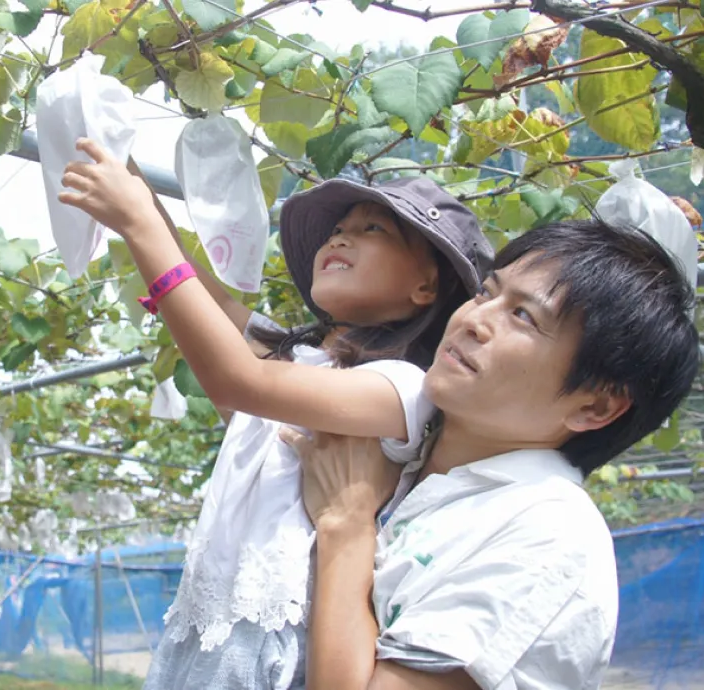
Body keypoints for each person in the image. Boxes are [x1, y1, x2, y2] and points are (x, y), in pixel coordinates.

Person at [59, 140, 492, 689]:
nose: (341, 235)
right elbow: (208, 296)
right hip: (207, 629)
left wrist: (139, 221)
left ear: (426, 286)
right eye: (341, 227)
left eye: (373, 229)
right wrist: (124, 167)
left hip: (278, 644)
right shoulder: (300, 360)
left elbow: (238, 380)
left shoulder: (402, 389)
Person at [281, 219, 700, 689]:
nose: (473, 320)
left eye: (523, 316)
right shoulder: (399, 459)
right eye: (485, 292)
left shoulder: (549, 537)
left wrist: (347, 527)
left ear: (595, 406)